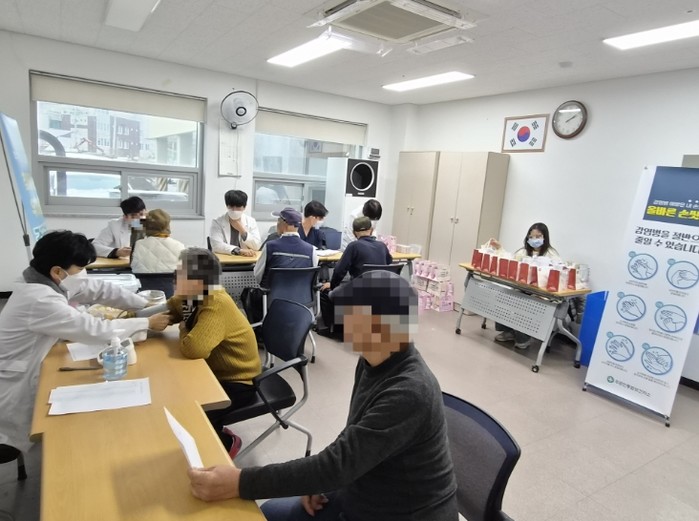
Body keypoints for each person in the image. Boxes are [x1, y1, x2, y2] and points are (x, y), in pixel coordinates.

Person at [187, 270, 458, 521]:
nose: (343, 322)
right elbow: (352, 442)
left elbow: (338, 466)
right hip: (364, 490)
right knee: (271, 512)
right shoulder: (373, 359)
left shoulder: (410, 391)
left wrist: (238, 482)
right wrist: (322, 481)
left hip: (402, 514)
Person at [0, 231, 171, 453]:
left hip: (31, 363)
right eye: (79, 269)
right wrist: (146, 322)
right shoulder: (38, 298)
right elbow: (94, 330)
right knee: (62, 437)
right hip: (14, 385)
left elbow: (98, 289)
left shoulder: (46, 278)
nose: (82, 274)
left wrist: (142, 304)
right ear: (57, 271)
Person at [165, 248, 261, 455]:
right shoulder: (193, 296)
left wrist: (183, 328)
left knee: (191, 414)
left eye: (179, 274)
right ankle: (215, 428)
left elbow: (194, 349)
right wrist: (137, 319)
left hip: (239, 381)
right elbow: (171, 309)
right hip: (215, 373)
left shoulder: (215, 302)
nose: (174, 277)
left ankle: (226, 443)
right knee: (174, 392)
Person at [485, 222, 561, 349]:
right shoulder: (523, 252)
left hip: (539, 293)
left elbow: (558, 274)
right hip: (521, 288)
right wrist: (499, 248)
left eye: (538, 236)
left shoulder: (552, 255)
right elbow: (509, 261)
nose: (534, 240)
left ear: (545, 237)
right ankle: (508, 331)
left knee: (525, 304)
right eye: (531, 237)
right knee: (503, 296)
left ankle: (523, 338)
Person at [318, 216, 392, 337]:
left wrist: (332, 286)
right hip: (381, 292)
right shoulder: (382, 246)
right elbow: (389, 264)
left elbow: (339, 271)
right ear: (371, 230)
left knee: (325, 292)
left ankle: (334, 330)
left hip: (358, 292)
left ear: (354, 233)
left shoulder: (354, 246)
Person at [253, 207, 318, 288]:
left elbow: (257, 276)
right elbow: (313, 281)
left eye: (278, 220)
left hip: (273, 295)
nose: (277, 224)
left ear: (284, 223)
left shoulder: (270, 247)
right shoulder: (311, 250)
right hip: (302, 295)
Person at [131, 209, 186, 297]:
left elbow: (132, 265)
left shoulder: (138, 245)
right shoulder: (180, 246)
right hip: (171, 296)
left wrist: (137, 222)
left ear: (145, 226)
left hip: (143, 295)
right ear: (167, 225)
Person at [209, 190, 261, 256]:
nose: (234, 210)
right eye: (231, 206)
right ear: (227, 206)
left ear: (244, 207)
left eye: (238, 207)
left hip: (246, 259)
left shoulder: (251, 221)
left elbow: (257, 246)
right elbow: (216, 245)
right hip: (225, 260)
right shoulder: (217, 222)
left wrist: (242, 230)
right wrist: (239, 251)